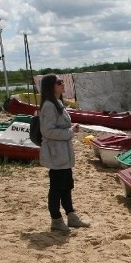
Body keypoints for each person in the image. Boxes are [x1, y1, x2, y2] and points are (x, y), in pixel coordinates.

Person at [38, 74, 90, 232]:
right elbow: (47, 131)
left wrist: (70, 128)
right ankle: (56, 220)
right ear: (51, 86)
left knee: (66, 185)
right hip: (56, 152)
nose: (63, 85)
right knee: (56, 187)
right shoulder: (48, 105)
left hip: (62, 152)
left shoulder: (57, 102)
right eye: (59, 82)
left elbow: (58, 127)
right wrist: (69, 132)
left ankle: (71, 216)